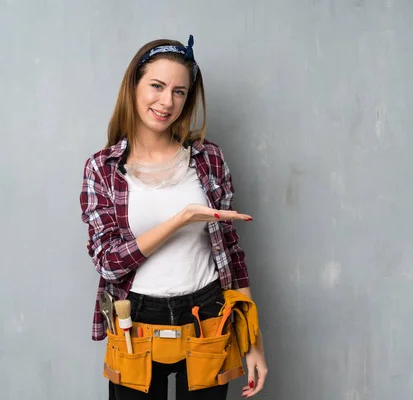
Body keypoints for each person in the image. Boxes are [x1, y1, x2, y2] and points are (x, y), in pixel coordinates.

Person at [79, 35, 268, 399]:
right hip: (135, 318)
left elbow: (232, 253)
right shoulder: (102, 168)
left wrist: (253, 343)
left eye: (180, 91)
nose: (167, 102)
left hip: (209, 316)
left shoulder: (207, 158)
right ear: (134, 85)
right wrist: (180, 220)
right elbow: (108, 262)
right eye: (157, 86)